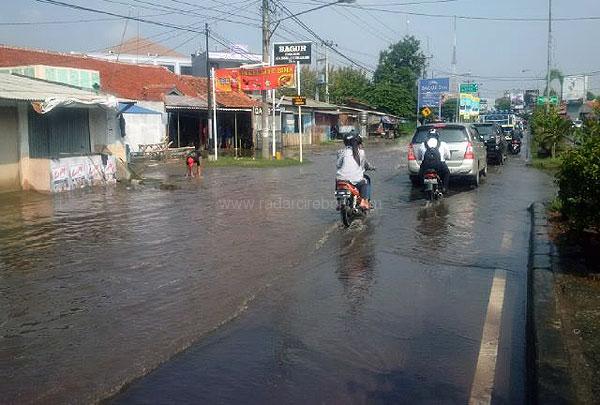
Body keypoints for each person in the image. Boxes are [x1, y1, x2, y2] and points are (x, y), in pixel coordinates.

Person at [336, 131, 374, 209]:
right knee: (365, 181)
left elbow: (338, 165)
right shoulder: (361, 152)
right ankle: (364, 201)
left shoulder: (341, 152)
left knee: (338, 180)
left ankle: (339, 202)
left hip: (342, 179)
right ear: (358, 142)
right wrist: (371, 167)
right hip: (355, 180)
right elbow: (364, 165)